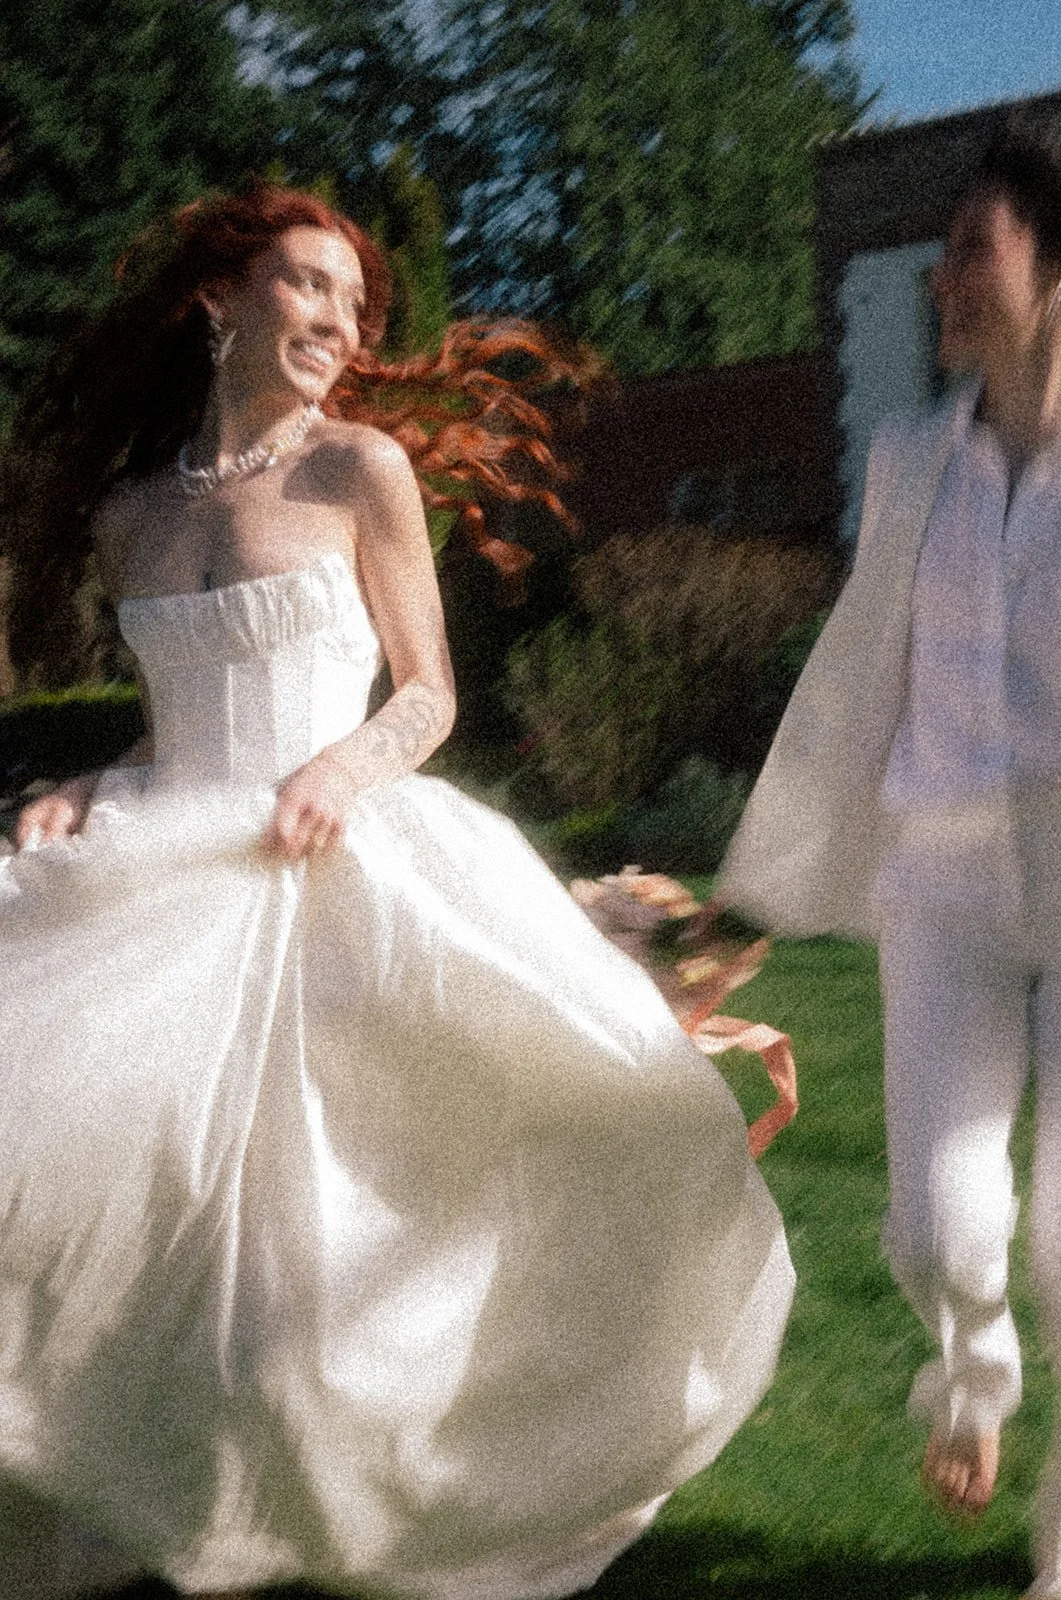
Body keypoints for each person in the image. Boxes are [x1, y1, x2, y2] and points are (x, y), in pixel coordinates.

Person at [0, 181, 794, 1600]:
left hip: (328, 856)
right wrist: (83, 782)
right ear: (222, 301)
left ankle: (385, 1482)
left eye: (354, 307)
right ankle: (134, 1497)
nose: (336, 322)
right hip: (168, 867)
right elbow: (178, 704)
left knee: (358, 1204)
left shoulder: (358, 468)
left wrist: (340, 768)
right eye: (307, 288)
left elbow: (427, 693)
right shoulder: (133, 517)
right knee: (107, 1198)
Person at [720, 109, 1061, 1594]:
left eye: (968, 251)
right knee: (939, 1228)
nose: (940, 279)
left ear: (1054, 276)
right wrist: (764, 880)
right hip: (939, 880)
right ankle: (967, 1382)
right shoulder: (903, 461)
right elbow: (855, 682)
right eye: (935, 255)